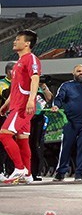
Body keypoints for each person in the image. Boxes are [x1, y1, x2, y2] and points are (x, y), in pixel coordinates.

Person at [0, 30, 41, 184]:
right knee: (22, 140)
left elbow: (35, 78)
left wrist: (31, 100)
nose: (14, 42)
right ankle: (28, 174)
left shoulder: (31, 59)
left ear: (27, 43)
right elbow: (15, 88)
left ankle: (19, 169)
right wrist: (5, 105)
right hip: (16, 105)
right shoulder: (18, 63)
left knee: (4, 135)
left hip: (23, 107)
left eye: (18, 39)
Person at [52, 64, 82, 181]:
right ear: (73, 73)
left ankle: (79, 174)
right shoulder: (66, 86)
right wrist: (56, 105)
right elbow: (59, 98)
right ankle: (61, 172)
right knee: (66, 147)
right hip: (71, 122)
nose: (81, 73)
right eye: (78, 71)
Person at [29, 80, 53, 181]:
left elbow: (49, 98)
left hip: (38, 119)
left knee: (37, 145)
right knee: (25, 144)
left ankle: (36, 172)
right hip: (26, 117)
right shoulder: (26, 85)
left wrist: (44, 87)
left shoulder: (41, 89)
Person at [0, 62, 15, 178]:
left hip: (15, 117)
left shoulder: (20, 83)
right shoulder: (2, 83)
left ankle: (11, 171)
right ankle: (0, 171)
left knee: (14, 145)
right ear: (9, 71)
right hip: (2, 117)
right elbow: (5, 96)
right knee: (2, 145)